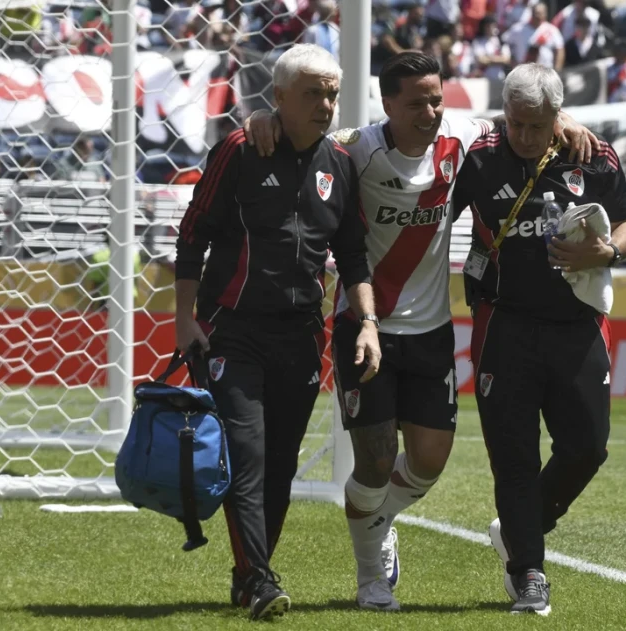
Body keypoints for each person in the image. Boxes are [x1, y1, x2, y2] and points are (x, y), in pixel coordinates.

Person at [243, 51, 599, 612]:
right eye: (416, 104)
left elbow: (518, 119)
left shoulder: (463, 137)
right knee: (376, 459)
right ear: (387, 104)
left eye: (436, 100)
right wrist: (262, 119)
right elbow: (300, 136)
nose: (430, 112)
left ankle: (380, 517)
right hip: (365, 326)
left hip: (432, 329)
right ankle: (371, 578)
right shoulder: (354, 148)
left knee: (428, 462)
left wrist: (564, 121)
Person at [174, 44, 381, 621]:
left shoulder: (340, 164)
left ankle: (248, 576)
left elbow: (353, 256)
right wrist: (184, 317)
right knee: (247, 454)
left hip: (301, 336)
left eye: (332, 94)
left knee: (281, 464)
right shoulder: (241, 148)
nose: (325, 104)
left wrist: (368, 322)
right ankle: (260, 579)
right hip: (232, 330)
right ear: (279, 97)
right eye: (312, 93)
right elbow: (193, 232)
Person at [452, 63, 626, 616]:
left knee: (588, 447)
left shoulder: (593, 156)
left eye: (536, 125)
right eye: (516, 123)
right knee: (514, 456)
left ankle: (521, 528)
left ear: (558, 116)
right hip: (503, 324)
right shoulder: (480, 157)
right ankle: (528, 573)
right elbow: (434, 198)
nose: (524, 135)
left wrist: (608, 251)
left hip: (577, 324)